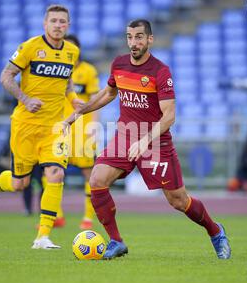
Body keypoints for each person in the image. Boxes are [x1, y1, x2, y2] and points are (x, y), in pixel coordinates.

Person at [63, 19, 231, 260]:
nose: (134, 42)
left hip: (155, 143)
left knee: (178, 200)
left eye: (139, 37)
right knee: (98, 179)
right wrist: (80, 111)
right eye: (130, 37)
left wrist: (144, 140)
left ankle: (216, 231)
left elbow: (169, 116)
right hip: (125, 135)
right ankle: (116, 241)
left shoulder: (160, 71)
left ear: (150, 39)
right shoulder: (119, 64)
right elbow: (109, 92)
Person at [0, 5, 83, 249]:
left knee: (55, 174)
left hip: (55, 128)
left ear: (68, 25)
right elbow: (5, 76)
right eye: (54, 21)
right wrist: (25, 99)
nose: (58, 25)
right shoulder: (30, 47)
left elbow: (66, 83)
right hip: (25, 126)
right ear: (45, 24)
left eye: (62, 21)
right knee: (19, 184)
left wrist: (73, 98)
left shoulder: (71, 52)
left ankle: (42, 237)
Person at [54, 34, 100, 230]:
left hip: (82, 130)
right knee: (52, 171)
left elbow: (96, 101)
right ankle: (57, 216)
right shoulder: (57, 70)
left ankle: (88, 217)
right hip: (60, 128)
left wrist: (93, 128)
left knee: (89, 174)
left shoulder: (88, 71)